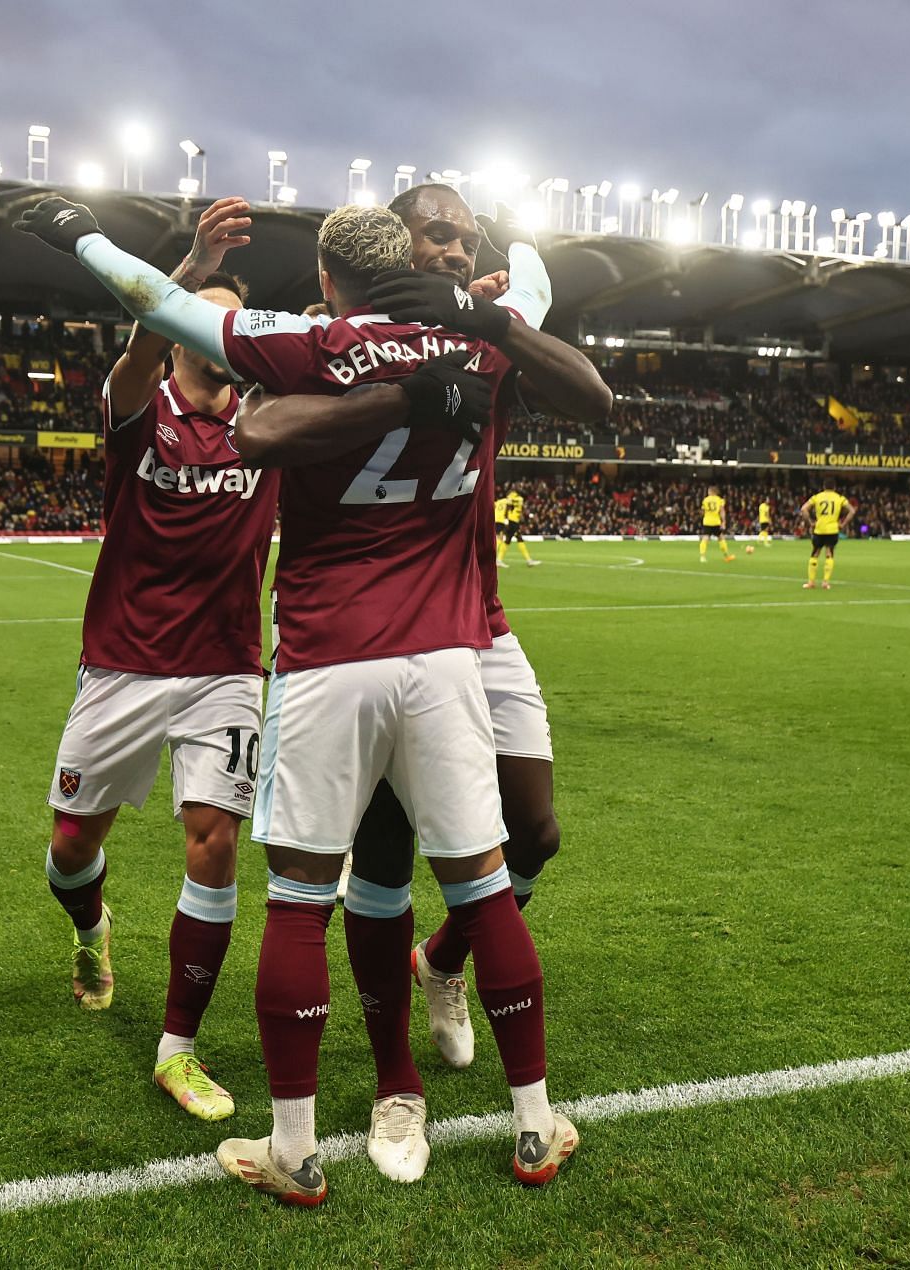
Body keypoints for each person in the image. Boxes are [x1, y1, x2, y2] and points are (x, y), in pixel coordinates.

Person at [13, 195, 577, 1204]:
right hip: (448, 650)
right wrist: (491, 283)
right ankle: (535, 1125)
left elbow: (166, 309)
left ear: (327, 278)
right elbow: (534, 284)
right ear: (415, 262)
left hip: (323, 653)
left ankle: (294, 1149)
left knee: (301, 898)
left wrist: (79, 237)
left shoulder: (303, 342)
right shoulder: (482, 347)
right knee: (486, 887)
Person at [331, 184, 607, 1183]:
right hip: (372, 632)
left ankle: (445, 961)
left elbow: (590, 395)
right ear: (389, 241)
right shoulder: (338, 335)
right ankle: (394, 1083)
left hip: (478, 624)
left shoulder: (483, 338)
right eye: (437, 232)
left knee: (533, 831)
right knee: (387, 857)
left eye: (465, 237)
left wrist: (491, 316)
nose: (455, 247)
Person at [38, 197, 271, 1124]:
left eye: (226, 320)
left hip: (225, 667)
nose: (210, 333)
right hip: (125, 663)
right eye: (197, 317)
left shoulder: (271, 417)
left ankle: (178, 1049)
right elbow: (138, 345)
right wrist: (194, 261)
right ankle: (92, 931)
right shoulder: (138, 400)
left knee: (215, 846)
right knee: (69, 852)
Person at [800, 486, 856, 588]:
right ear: (834, 487)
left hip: (819, 529)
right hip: (833, 530)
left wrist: (810, 523)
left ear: (824, 487)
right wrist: (843, 524)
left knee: (815, 554)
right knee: (829, 553)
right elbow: (852, 511)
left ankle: (811, 582)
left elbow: (803, 509)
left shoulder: (817, 497)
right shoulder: (839, 498)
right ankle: (825, 582)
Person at [497, 487, 537, 566]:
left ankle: (499, 559)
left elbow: (511, 507)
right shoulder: (519, 498)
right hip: (513, 521)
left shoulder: (511, 497)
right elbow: (510, 508)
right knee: (517, 539)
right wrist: (507, 518)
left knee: (507, 540)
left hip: (511, 521)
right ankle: (529, 560)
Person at [699, 485, 736, 561]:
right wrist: (724, 522)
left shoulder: (705, 500)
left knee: (705, 538)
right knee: (721, 538)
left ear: (711, 491)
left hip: (707, 521)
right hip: (716, 521)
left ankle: (702, 556)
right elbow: (722, 511)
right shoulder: (719, 500)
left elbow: (702, 511)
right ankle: (726, 555)